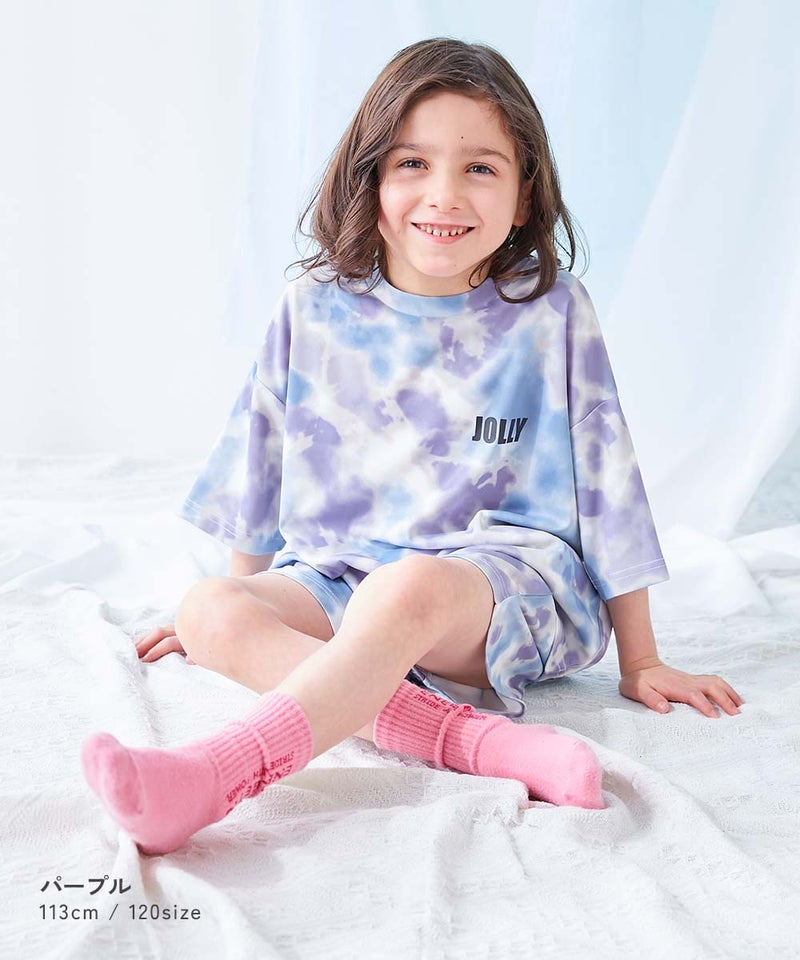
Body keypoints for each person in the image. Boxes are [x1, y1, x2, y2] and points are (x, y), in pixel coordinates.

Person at [81, 37, 743, 856]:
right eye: (413, 164)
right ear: (370, 179)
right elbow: (259, 461)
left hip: (508, 588)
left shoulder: (552, 312)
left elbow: (610, 484)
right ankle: (480, 743)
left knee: (403, 591)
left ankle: (215, 774)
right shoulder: (313, 306)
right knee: (208, 607)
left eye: (480, 168)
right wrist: (237, 610)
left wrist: (641, 659)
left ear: (525, 195)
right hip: (342, 575)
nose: (444, 194)